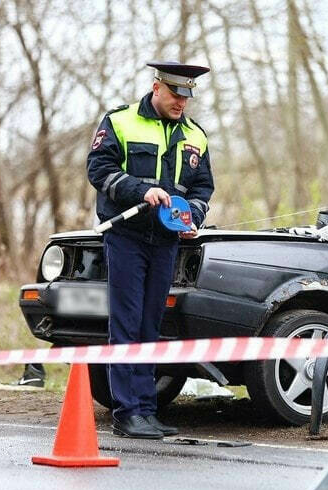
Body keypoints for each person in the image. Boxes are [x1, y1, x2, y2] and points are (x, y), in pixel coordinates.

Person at [87, 61, 214, 438]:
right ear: (157, 87)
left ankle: (146, 408)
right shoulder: (121, 121)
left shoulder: (195, 136)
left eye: (187, 96)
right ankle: (126, 412)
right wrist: (140, 190)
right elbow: (99, 169)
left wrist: (191, 215)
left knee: (149, 325)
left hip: (166, 242)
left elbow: (202, 189)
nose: (181, 103)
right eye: (176, 94)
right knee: (126, 323)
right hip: (127, 236)